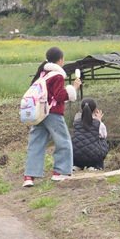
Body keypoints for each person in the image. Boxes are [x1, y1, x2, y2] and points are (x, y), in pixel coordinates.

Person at [23, 47, 81, 187]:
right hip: (53, 113)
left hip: (39, 114)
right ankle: (59, 172)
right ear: (60, 60)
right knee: (63, 142)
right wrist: (74, 88)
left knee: (36, 145)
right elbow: (60, 95)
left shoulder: (42, 74)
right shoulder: (57, 75)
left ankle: (29, 176)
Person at [71, 97, 109, 172]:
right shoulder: (98, 123)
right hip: (93, 157)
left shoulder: (76, 122)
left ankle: (77, 165)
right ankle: (95, 166)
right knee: (102, 141)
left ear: (81, 110)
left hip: (76, 156)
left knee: (77, 143)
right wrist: (99, 121)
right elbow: (104, 135)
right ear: (95, 110)